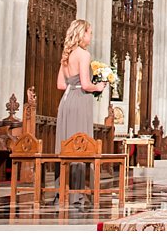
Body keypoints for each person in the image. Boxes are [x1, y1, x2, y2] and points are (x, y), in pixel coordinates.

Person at [55, 19, 108, 208]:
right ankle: (76, 195)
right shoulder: (83, 55)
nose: (91, 36)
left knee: (66, 144)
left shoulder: (66, 54)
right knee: (80, 146)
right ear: (82, 33)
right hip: (80, 100)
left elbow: (61, 85)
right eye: (90, 33)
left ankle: (61, 192)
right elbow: (86, 84)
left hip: (66, 101)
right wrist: (99, 87)